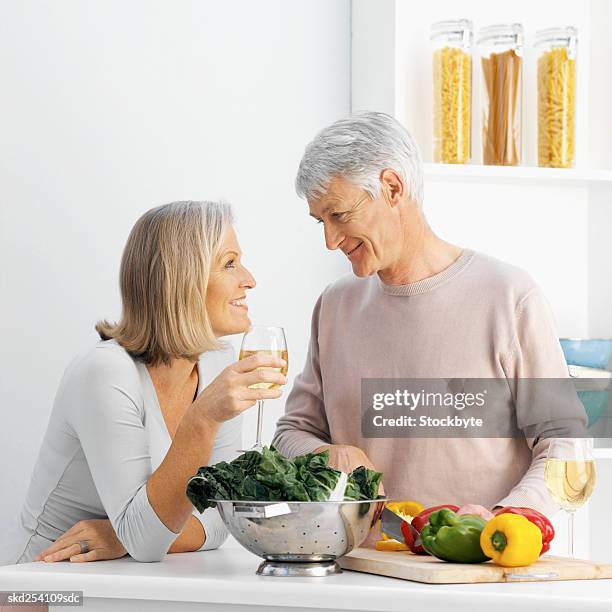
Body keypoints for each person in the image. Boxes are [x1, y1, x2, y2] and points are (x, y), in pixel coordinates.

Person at [272, 112, 586, 528]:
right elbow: (291, 433)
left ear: (392, 188)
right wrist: (325, 454)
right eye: (321, 222)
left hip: (479, 570)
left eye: (339, 215)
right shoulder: (335, 306)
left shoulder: (508, 295)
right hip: (361, 570)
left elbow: (565, 443)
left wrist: (504, 518)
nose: (330, 241)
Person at [1, 201, 286, 565]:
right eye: (229, 263)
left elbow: (220, 516)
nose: (249, 279)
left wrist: (123, 536)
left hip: (120, 582)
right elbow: (148, 543)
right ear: (182, 279)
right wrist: (202, 419)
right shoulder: (104, 374)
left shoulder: (219, 363)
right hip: (40, 585)